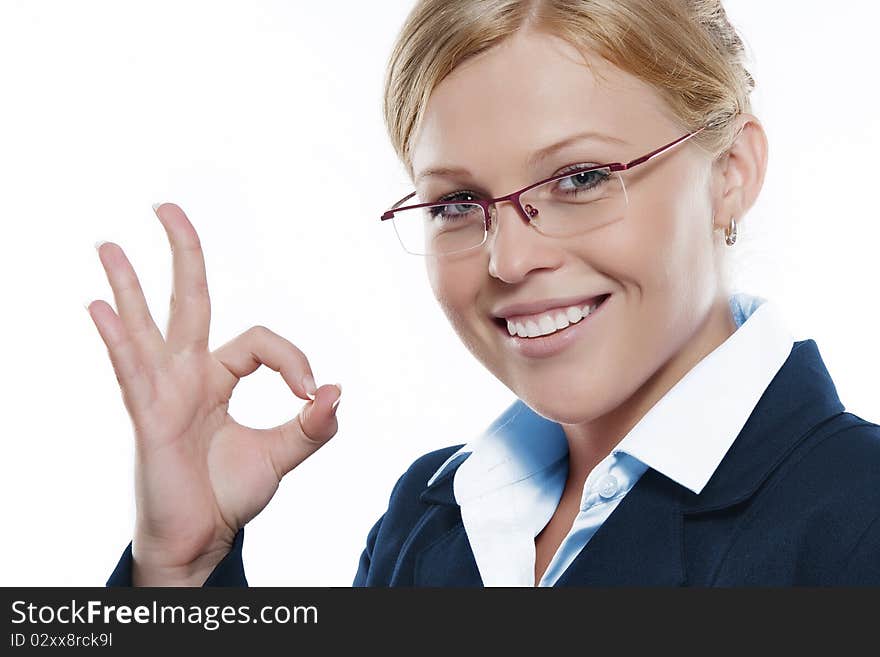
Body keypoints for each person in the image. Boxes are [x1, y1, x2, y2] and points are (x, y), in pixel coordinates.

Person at [95, 0, 880, 587]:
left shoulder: (857, 518)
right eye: (457, 204)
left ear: (730, 173)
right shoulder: (428, 519)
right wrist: (180, 569)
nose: (510, 258)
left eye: (579, 178)